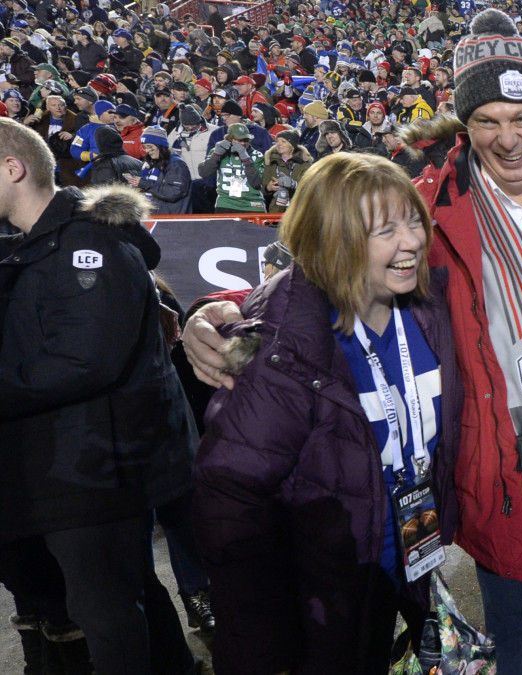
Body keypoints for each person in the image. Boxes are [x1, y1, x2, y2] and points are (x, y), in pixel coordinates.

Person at [183, 10, 522, 675]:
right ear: (465, 126)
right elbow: (323, 271)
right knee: (520, 639)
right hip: (495, 460)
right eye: (487, 121)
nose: (508, 138)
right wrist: (218, 310)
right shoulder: (424, 210)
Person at [192, 153, 462, 674]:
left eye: (413, 221)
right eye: (385, 230)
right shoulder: (287, 338)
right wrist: (264, 646)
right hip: (326, 591)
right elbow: (230, 500)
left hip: (409, 558)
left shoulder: (427, 303)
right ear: (333, 238)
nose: (411, 242)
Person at [0, 116, 197, 675]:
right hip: (69, 464)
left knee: (106, 612)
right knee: (126, 593)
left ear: (13, 169)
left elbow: (84, 361)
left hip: (97, 467)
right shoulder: (33, 243)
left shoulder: (90, 241)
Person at [197, 122, 266, 213]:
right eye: (239, 140)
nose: (242, 143)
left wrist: (246, 159)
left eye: (245, 140)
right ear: (230, 139)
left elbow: (256, 183)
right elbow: (204, 173)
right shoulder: (218, 152)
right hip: (226, 204)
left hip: (252, 205)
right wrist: (216, 155)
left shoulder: (257, 155)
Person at [127, 125, 192, 214]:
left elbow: (174, 192)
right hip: (154, 216)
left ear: (160, 146)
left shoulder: (176, 164)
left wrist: (145, 184)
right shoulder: (151, 163)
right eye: (144, 147)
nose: (147, 150)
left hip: (170, 221)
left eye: (150, 146)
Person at [261, 128, 312, 212]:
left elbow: (309, 188)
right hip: (275, 210)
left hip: (297, 210)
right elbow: (261, 190)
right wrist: (268, 188)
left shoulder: (304, 164)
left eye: (283, 141)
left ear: (292, 145)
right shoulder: (270, 162)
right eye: (277, 141)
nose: (279, 144)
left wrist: (293, 185)